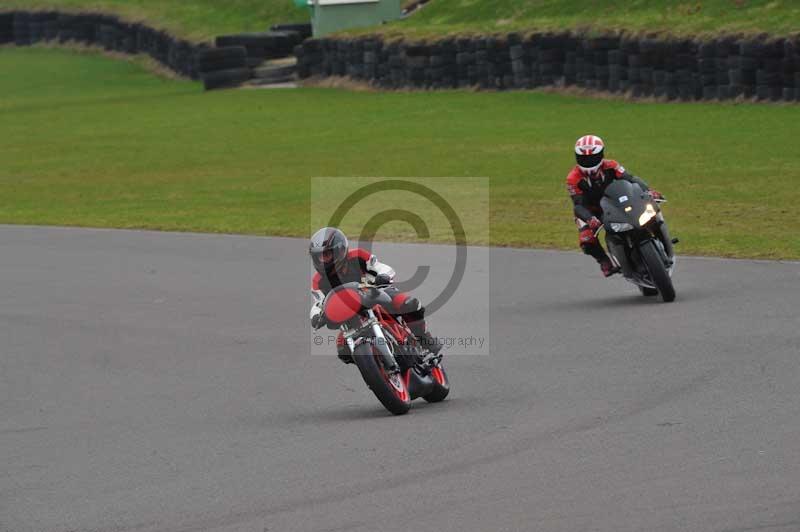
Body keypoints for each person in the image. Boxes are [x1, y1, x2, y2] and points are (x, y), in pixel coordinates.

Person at [308, 227, 442, 363]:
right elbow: (319, 303)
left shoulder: (358, 256)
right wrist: (316, 316)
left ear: (340, 250)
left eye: (327, 255)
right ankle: (376, 364)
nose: (323, 260)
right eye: (319, 257)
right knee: (343, 349)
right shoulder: (317, 281)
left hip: (376, 293)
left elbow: (381, 268)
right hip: (352, 315)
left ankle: (425, 339)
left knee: (409, 304)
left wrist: (383, 276)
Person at [566, 135, 663, 276]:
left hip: (616, 203)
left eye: (592, 157)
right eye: (584, 158)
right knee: (586, 239)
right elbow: (578, 205)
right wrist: (590, 219)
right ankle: (605, 261)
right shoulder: (573, 178)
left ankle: (660, 237)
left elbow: (631, 179)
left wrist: (648, 191)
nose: (588, 161)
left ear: (601, 154)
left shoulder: (611, 165)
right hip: (591, 211)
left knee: (650, 209)